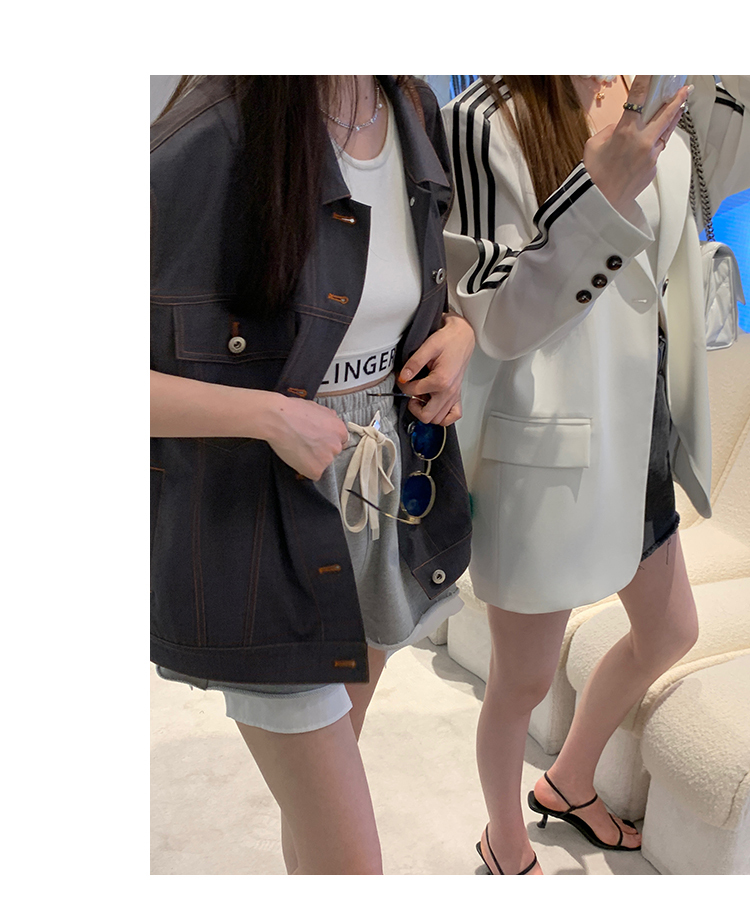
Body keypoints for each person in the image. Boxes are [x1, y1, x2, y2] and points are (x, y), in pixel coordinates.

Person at [150, 75, 475, 875]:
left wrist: (459, 333)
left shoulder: (411, 110)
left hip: (378, 498)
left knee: (322, 820)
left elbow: (404, 295)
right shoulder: (214, 133)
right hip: (260, 524)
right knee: (353, 866)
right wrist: (267, 415)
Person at [443, 74, 750, 874]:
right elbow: (493, 319)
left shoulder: (669, 101)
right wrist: (599, 193)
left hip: (640, 432)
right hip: (550, 447)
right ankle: (504, 838)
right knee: (523, 680)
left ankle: (569, 779)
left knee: (671, 630)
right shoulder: (487, 119)